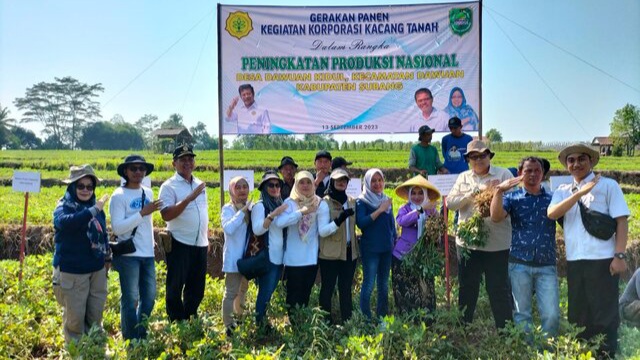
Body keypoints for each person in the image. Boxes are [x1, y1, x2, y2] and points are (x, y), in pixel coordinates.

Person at [547, 143, 629, 357]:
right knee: (578, 311)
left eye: (581, 159)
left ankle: (607, 353)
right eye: (571, 160)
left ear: (591, 161)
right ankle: (583, 351)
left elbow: (621, 221)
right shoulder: (563, 190)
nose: (576, 164)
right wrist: (579, 193)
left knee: (604, 312)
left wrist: (619, 255)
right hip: (575, 260)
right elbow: (552, 213)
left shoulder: (608, 186)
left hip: (603, 260)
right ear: (566, 165)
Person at [490, 157, 559, 340]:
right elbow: (496, 217)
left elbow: (568, 220)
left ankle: (548, 349)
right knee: (522, 314)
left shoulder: (553, 198)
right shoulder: (512, 198)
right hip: (519, 263)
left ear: (543, 174)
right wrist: (498, 191)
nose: (533, 174)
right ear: (520, 174)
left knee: (551, 314)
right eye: (528, 170)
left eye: (537, 170)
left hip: (547, 264)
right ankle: (527, 351)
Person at [447, 140, 513, 330]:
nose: (479, 159)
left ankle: (505, 331)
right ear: (468, 160)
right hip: (468, 244)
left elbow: (512, 201)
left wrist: (497, 193)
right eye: (474, 157)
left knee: (498, 289)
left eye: (483, 155)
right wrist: (476, 191)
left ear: (489, 156)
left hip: (497, 244)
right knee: (467, 287)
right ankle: (463, 327)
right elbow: (450, 203)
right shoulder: (463, 178)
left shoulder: (503, 175)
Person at [52, 165, 109, 344]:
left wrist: (107, 257)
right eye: (81, 186)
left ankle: (96, 347)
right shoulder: (63, 206)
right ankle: (76, 351)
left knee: (96, 312)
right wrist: (93, 211)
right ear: (72, 187)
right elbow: (66, 223)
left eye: (89, 187)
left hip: (96, 269)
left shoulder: (96, 207)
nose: (86, 190)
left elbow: (103, 233)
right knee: (75, 317)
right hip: (73, 270)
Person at [109, 155, 162, 340]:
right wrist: (142, 213)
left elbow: (148, 223)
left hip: (147, 253)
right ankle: (131, 339)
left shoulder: (148, 193)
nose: (138, 172)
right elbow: (117, 228)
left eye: (141, 168)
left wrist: (151, 244)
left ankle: (141, 333)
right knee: (130, 299)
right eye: (133, 169)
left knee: (149, 297)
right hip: (128, 255)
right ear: (125, 172)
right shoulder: (118, 196)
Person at [159, 144, 209, 322]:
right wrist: (188, 199)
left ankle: (190, 317)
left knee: (197, 286)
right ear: (174, 163)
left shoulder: (199, 184)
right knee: (175, 286)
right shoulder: (168, 186)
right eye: (182, 160)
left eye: (190, 159)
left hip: (200, 243)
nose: (187, 162)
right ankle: (176, 321)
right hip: (180, 242)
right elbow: (166, 214)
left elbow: (203, 212)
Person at [392, 175, 441, 315]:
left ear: (425, 194)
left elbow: (437, 226)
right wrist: (420, 210)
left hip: (423, 256)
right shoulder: (405, 209)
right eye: (413, 193)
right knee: (406, 287)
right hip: (403, 255)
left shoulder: (431, 210)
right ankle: (408, 317)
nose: (417, 196)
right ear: (409, 194)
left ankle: (427, 316)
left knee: (425, 286)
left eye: (420, 193)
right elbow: (402, 222)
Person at [275, 171, 321, 319]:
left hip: (311, 256)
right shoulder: (289, 203)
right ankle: (293, 322)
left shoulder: (318, 202)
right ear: (296, 184)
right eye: (302, 182)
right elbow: (280, 223)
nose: (305, 185)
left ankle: (302, 321)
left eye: (308, 182)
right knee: (294, 292)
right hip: (294, 258)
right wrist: (301, 212)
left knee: (306, 291)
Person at [317, 168, 358, 323]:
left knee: (346, 288)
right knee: (327, 288)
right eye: (338, 180)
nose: (341, 183)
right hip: (330, 254)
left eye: (344, 180)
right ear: (332, 182)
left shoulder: (352, 201)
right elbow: (322, 231)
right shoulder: (324, 203)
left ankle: (347, 320)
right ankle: (326, 322)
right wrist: (338, 220)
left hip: (349, 252)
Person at [356, 168, 396, 320]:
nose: (377, 184)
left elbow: (391, 223)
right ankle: (365, 318)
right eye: (373, 181)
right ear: (367, 182)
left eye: (380, 180)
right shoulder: (362, 201)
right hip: (371, 249)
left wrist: (394, 238)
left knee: (384, 285)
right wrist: (380, 210)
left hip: (386, 248)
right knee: (369, 284)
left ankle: (382, 316)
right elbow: (362, 223)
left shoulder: (385, 198)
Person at [251, 171, 289, 327]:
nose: (275, 188)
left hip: (278, 257)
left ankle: (262, 321)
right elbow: (258, 230)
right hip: (267, 257)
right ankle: (259, 324)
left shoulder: (280, 204)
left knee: (269, 291)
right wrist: (273, 215)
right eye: (270, 185)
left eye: (277, 185)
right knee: (265, 293)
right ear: (264, 188)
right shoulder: (260, 206)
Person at [220, 176, 251, 336]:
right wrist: (242, 212)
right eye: (238, 187)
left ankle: (239, 318)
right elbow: (229, 228)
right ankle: (228, 325)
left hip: (246, 259)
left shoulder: (251, 208)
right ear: (232, 190)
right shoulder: (228, 209)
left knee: (243, 290)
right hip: (233, 259)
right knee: (231, 292)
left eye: (245, 187)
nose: (242, 190)